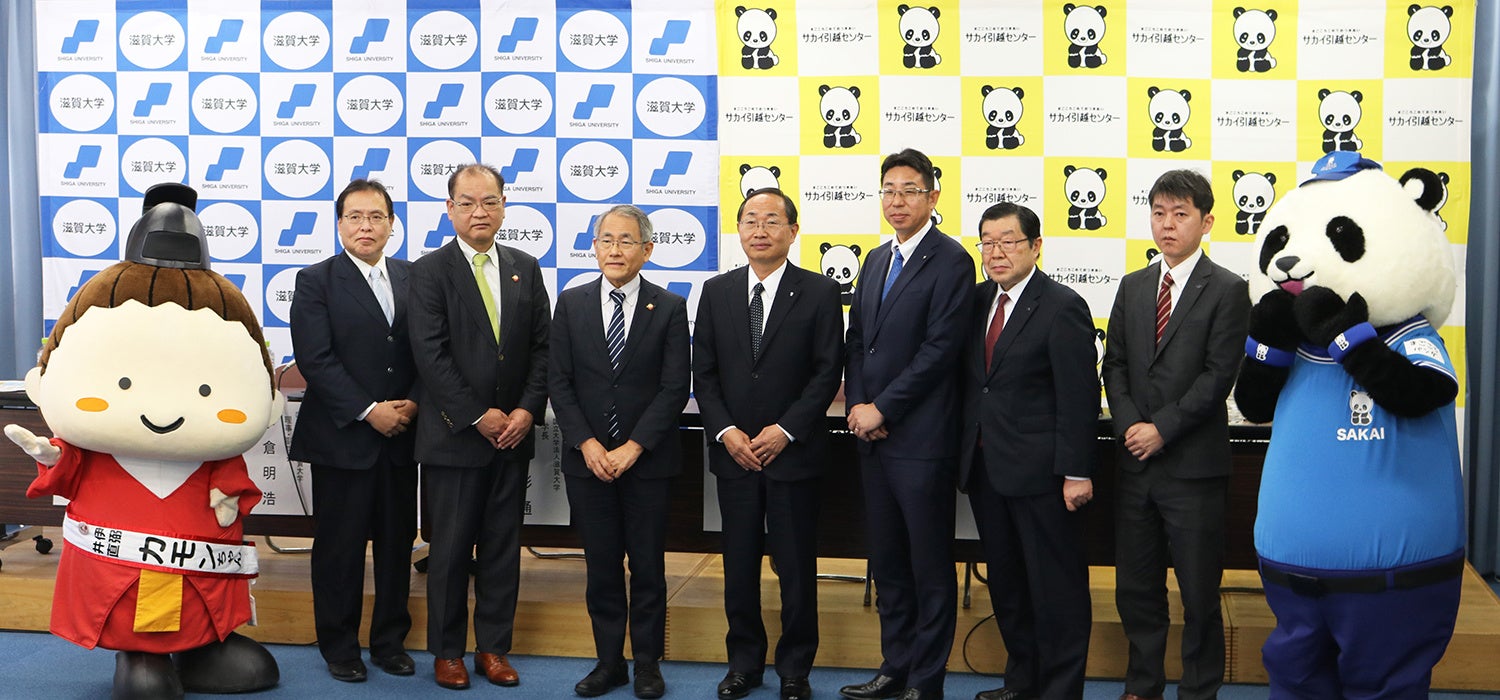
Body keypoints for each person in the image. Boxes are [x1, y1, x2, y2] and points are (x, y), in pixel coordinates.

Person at [1101, 170, 1250, 700]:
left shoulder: (1229, 289)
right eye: (1159, 213)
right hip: (1136, 465)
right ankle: (1143, 684)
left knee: (1199, 593)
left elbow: (1218, 376)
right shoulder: (1133, 285)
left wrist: (1161, 429)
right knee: (1136, 587)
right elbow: (1114, 364)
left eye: (1180, 214)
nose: (1167, 225)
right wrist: (1130, 427)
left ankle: (1198, 690)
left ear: (1206, 222)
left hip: (1193, 467)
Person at [694, 188, 844, 700]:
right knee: (738, 566)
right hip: (734, 453)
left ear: (793, 231)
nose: (760, 230)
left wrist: (785, 430)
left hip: (794, 453)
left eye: (772, 220)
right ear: (738, 230)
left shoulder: (820, 292)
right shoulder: (716, 291)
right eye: (750, 220)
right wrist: (726, 431)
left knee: (796, 567)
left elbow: (827, 372)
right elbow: (703, 372)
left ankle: (795, 669)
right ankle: (744, 664)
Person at [407, 164, 551, 691]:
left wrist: (526, 410)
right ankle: (448, 652)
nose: (479, 212)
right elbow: (430, 354)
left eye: (489, 202)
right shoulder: (429, 271)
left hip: (512, 437)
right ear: (450, 210)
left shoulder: (525, 267)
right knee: (447, 553)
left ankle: (493, 648)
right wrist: (477, 415)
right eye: (466, 203)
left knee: (501, 550)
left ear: (504, 206)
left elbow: (542, 348)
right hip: (454, 438)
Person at [840, 148, 975, 700]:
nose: (897, 201)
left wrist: (884, 408)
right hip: (872, 439)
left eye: (910, 191)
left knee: (928, 565)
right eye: (889, 190)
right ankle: (894, 667)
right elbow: (857, 341)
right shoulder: (875, 258)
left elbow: (940, 351)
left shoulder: (952, 260)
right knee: (888, 562)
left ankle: (926, 679)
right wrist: (859, 406)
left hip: (921, 440)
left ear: (933, 197)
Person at [549, 204, 690, 700]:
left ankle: (648, 664)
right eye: (606, 240)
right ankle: (608, 663)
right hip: (588, 463)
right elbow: (559, 382)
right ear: (594, 247)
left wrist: (634, 447)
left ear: (647, 250)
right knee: (601, 567)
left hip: (646, 463)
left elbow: (674, 388)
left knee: (648, 568)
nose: (614, 249)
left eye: (626, 240)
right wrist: (587, 443)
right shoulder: (571, 303)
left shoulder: (669, 307)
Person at [959, 202, 1097, 700]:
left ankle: (1059, 690)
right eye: (987, 242)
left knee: (1056, 590)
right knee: (1008, 585)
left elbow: (1079, 395)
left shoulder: (1062, 305)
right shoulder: (976, 301)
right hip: (985, 469)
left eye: (1008, 242)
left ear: (1036, 246)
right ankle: (1021, 682)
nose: (996, 252)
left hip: (1043, 476)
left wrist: (1076, 471)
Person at [289, 179, 419, 683]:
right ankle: (339, 646)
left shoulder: (413, 277)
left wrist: (414, 402)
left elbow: (429, 349)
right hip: (343, 438)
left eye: (376, 216)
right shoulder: (315, 280)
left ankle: (389, 642)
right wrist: (369, 410)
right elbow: (316, 359)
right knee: (339, 550)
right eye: (355, 217)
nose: (366, 226)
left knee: (396, 545)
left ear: (391, 224)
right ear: (340, 224)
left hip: (402, 436)